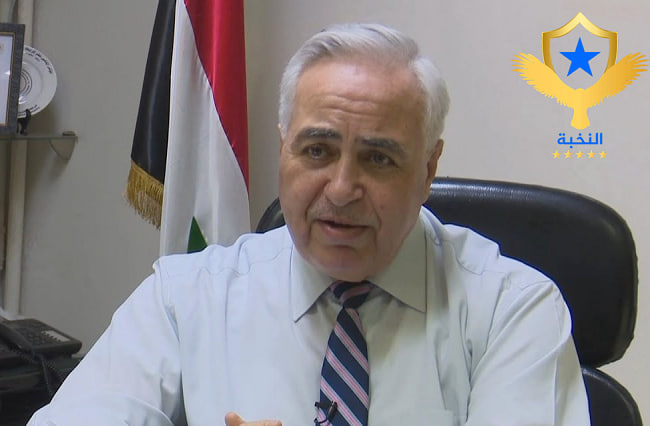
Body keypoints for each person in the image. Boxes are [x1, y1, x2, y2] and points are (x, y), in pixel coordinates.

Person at [29, 23, 590, 425]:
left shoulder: (512, 310)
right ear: (283, 150)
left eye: (378, 158)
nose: (341, 190)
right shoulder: (187, 297)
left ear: (428, 170)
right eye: (317, 150)